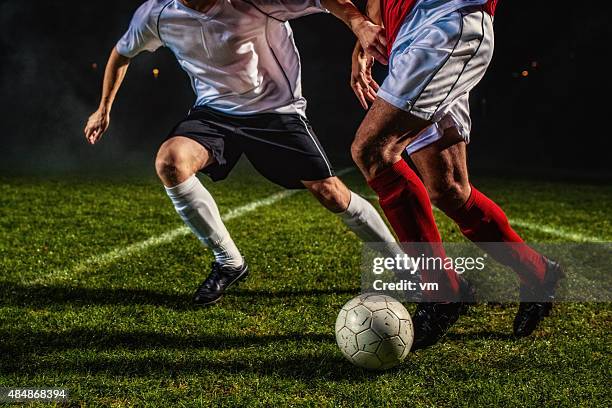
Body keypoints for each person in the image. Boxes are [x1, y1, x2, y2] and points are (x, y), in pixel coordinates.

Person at [84, 0, 397, 306]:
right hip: (214, 113)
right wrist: (103, 109)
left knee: (331, 194)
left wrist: (360, 25)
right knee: (170, 162)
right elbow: (121, 52)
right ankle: (229, 262)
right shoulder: (157, 14)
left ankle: (399, 264)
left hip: (275, 112)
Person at [349, 0, 563, 349]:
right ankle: (540, 273)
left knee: (373, 151)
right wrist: (362, 44)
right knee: (448, 188)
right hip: (408, 39)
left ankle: (444, 294)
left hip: (447, 22)